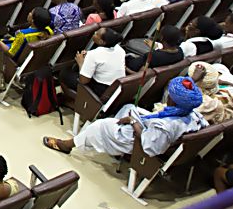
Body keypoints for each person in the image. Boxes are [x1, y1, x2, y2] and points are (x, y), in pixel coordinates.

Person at [44, 76, 207, 157]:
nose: (168, 95)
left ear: (174, 100)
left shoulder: (167, 127)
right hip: (148, 127)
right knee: (129, 107)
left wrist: (134, 122)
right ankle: (110, 136)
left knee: (100, 125)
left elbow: (149, 147)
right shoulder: (190, 114)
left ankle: (68, 145)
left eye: (170, 94)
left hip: (138, 140)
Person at [60, 27, 125, 98]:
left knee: (64, 73)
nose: (94, 33)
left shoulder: (94, 54)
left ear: (101, 42)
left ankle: (75, 101)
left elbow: (83, 81)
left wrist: (80, 62)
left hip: (101, 90)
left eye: (97, 34)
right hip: (117, 87)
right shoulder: (120, 50)